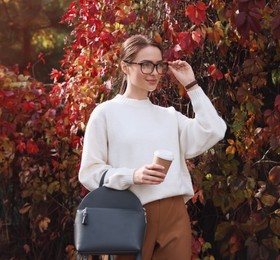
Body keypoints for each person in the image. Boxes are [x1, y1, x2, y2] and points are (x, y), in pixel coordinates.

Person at [78, 34, 227, 260]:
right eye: (146, 65)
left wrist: (191, 84)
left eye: (159, 65)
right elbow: (89, 172)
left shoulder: (168, 117)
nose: (155, 72)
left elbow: (214, 129)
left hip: (174, 214)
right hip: (126, 213)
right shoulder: (105, 113)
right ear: (125, 67)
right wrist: (132, 175)